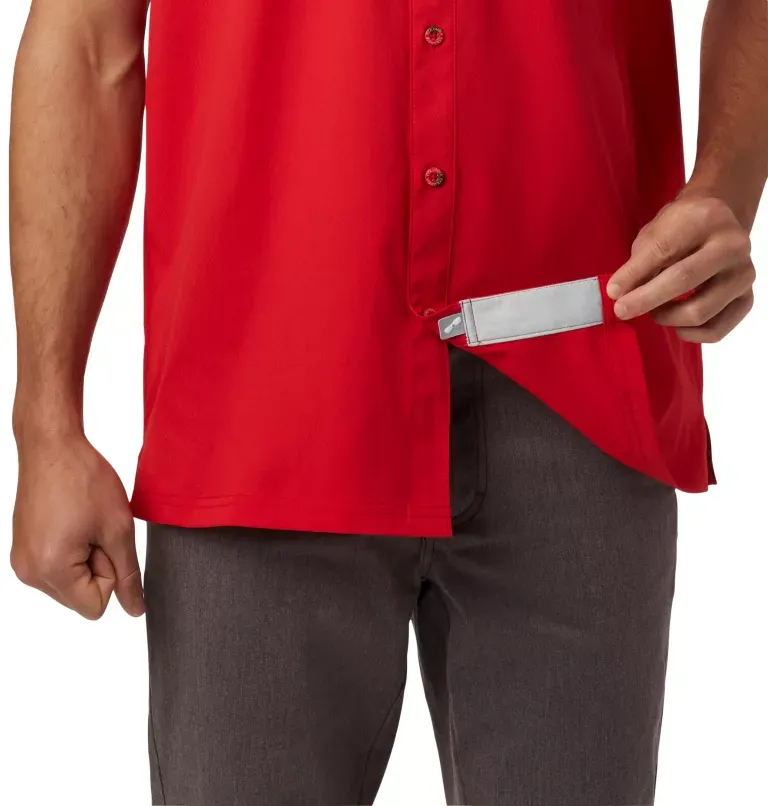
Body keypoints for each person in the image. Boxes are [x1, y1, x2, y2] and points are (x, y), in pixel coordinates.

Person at [8, 0, 766, 803]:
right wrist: (47, 423)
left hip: (582, 398)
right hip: (257, 412)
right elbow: (86, 38)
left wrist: (724, 189)